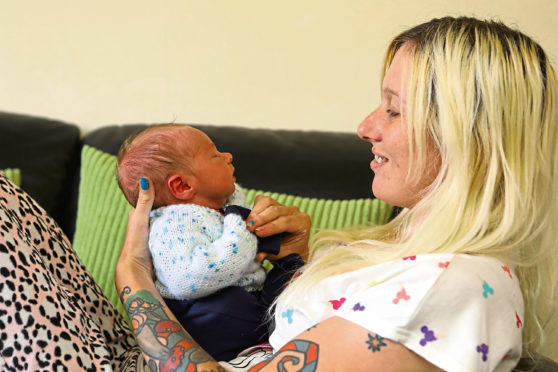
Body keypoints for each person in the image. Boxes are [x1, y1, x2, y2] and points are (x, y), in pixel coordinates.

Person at [0, 15, 556, 372]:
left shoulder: (450, 284)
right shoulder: (418, 260)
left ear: (468, 135)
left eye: (393, 108)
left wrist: (135, 282)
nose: (366, 126)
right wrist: (297, 261)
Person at [116, 124, 298, 360]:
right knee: (233, 305)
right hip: (206, 318)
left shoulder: (219, 211)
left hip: (247, 305)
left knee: (293, 268)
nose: (228, 156)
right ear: (182, 186)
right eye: (215, 154)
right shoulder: (175, 223)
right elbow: (187, 279)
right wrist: (239, 226)